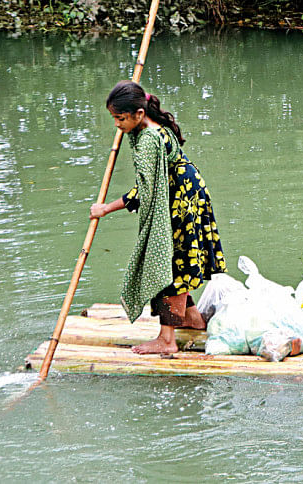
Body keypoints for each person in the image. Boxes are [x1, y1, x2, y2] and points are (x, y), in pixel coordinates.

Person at [89, 80, 227, 354]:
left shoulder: (150, 138)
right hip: (190, 193)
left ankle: (166, 339)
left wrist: (105, 208)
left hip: (181, 201)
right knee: (179, 261)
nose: (117, 125)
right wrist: (128, 127)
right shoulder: (151, 126)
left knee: (169, 263)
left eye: (120, 118)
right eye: (114, 118)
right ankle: (191, 318)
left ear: (139, 114)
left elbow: (145, 190)